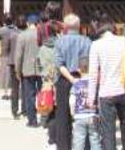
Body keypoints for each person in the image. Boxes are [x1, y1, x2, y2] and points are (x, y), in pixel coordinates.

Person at [88, 13, 125, 150]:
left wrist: (90, 98)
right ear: (112, 27)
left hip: (107, 93)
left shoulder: (96, 45)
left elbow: (93, 74)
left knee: (108, 132)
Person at [54, 13, 92, 150]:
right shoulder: (87, 41)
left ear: (65, 26)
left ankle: (64, 146)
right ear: (79, 26)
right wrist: (79, 78)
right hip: (82, 77)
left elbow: (59, 64)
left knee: (63, 115)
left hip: (65, 80)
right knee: (83, 115)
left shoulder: (60, 41)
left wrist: (71, 79)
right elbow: (86, 63)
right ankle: (84, 146)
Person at [70, 56, 102, 150]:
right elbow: (99, 100)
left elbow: (72, 100)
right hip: (93, 115)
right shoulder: (95, 84)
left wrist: (73, 113)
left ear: (79, 70)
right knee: (95, 139)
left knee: (78, 141)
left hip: (79, 116)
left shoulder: (76, 84)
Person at [15, 14, 42, 127]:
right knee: (42, 93)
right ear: (37, 24)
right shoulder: (42, 35)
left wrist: (17, 70)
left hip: (27, 68)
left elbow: (18, 55)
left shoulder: (22, 36)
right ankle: (45, 118)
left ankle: (32, 120)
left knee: (29, 95)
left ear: (27, 23)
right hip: (41, 68)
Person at [39, 18, 62, 145]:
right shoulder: (61, 45)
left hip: (47, 79)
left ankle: (51, 135)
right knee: (59, 107)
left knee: (49, 107)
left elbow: (39, 64)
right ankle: (60, 134)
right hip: (59, 79)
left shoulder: (43, 48)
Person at [0, 13, 19, 102]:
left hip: (4, 53)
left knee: (4, 73)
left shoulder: (1, 30)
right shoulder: (15, 30)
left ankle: (5, 92)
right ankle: (13, 91)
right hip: (14, 53)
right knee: (13, 73)